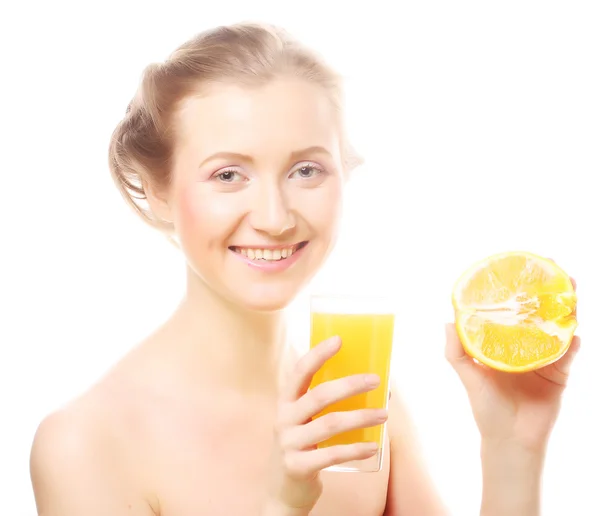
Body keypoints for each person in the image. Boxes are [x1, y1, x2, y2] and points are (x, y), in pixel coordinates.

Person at [29, 22, 580, 516]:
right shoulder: (86, 443)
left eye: (306, 169)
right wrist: (281, 506)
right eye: (227, 175)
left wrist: (513, 450)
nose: (274, 218)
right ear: (158, 192)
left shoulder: (362, 401)